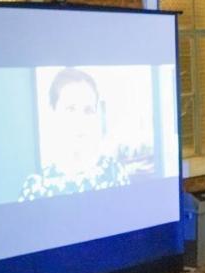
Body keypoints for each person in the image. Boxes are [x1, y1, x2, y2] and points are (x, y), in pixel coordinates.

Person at [20, 67, 129, 201]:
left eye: (88, 110)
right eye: (71, 109)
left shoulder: (114, 173)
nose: (80, 120)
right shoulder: (36, 186)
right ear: (53, 113)